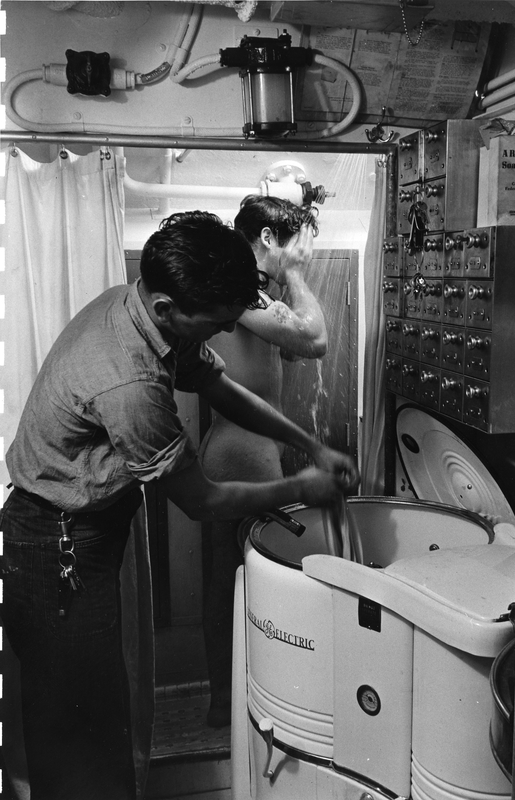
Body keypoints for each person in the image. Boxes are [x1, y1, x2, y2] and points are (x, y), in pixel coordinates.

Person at [0, 209, 359, 800]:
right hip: (55, 544)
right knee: (81, 734)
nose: (228, 332)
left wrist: (310, 445)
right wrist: (303, 488)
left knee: (92, 711)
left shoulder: (149, 309)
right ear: (169, 308)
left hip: (76, 527)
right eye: (218, 323)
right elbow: (201, 498)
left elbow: (221, 388)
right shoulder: (130, 380)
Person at [200, 195, 328, 727]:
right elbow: (316, 339)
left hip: (244, 450)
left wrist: (288, 283)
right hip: (241, 453)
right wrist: (295, 275)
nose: (301, 256)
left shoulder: (255, 297)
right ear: (268, 240)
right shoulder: (243, 294)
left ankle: (230, 700)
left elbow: (295, 346)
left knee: (234, 578)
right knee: (244, 580)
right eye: (294, 246)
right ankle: (234, 702)